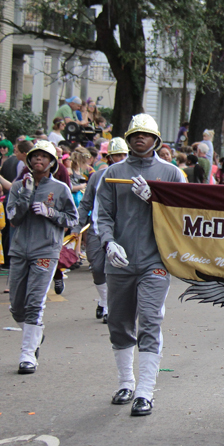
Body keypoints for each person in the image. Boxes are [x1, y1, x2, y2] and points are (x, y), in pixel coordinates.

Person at [95, 114, 185, 416]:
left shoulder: (171, 173)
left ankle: (145, 391)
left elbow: (184, 216)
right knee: (118, 322)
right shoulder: (112, 172)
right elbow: (102, 215)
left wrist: (157, 201)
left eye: (145, 135)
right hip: (118, 260)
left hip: (155, 261)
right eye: (134, 134)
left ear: (157, 140)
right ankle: (125, 382)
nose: (139, 139)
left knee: (150, 319)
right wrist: (108, 242)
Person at [6, 140, 78, 373]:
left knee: (34, 302)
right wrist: (26, 196)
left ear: (51, 162)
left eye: (43, 157)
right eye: (35, 157)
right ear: (28, 161)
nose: (39, 160)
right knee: (17, 307)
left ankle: (27, 354)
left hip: (46, 250)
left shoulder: (60, 189)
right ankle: (34, 335)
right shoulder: (18, 186)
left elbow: (72, 219)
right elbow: (13, 219)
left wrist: (51, 212)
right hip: (19, 250)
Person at [77, 137, 128, 324]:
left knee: (117, 270)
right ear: (109, 157)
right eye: (116, 155)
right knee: (98, 268)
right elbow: (86, 203)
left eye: (123, 155)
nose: (120, 158)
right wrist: (77, 225)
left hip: (122, 231)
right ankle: (104, 299)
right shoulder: (97, 177)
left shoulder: (132, 177)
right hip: (97, 229)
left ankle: (109, 306)